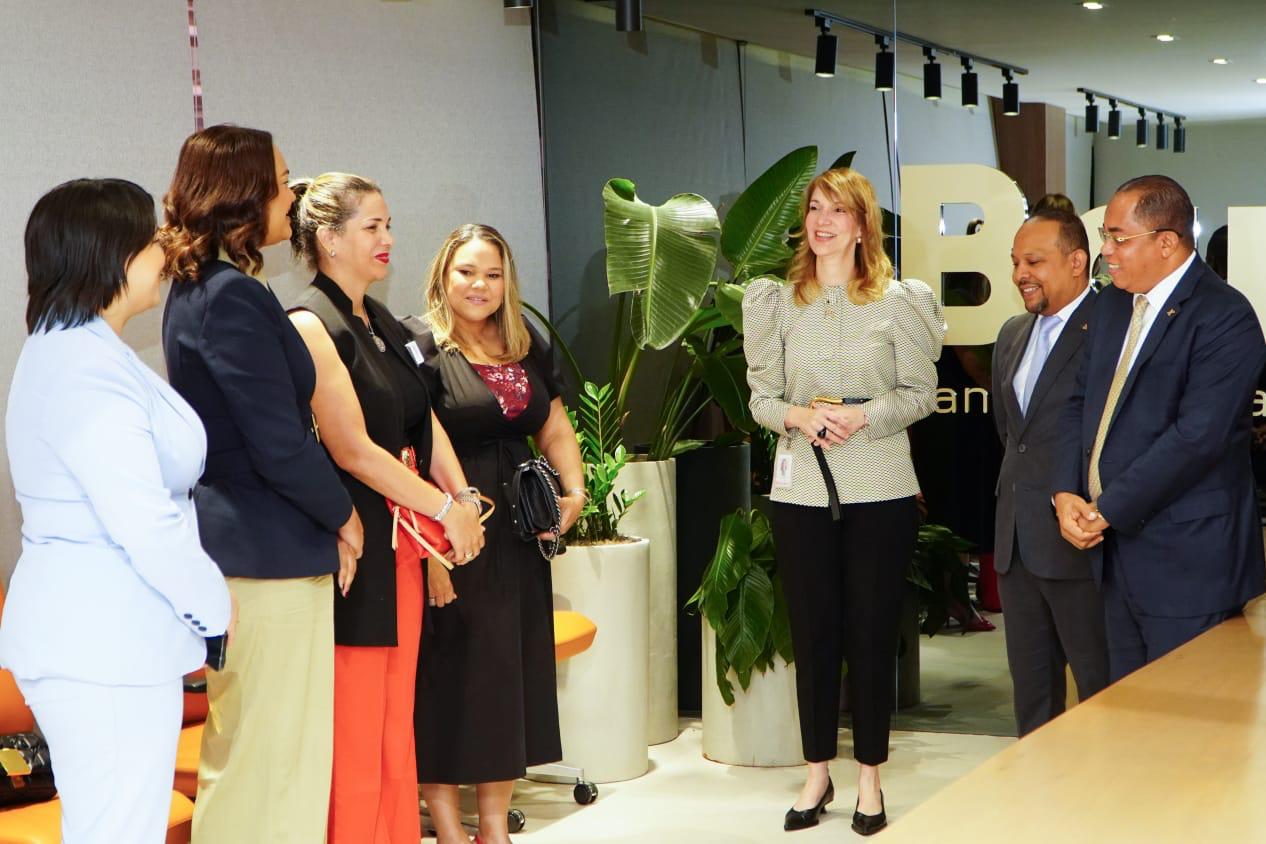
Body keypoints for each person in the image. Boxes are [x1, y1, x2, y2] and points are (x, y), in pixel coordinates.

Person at [0, 178, 234, 842]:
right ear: (112, 255)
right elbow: (143, 520)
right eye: (152, 240)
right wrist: (215, 607)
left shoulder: (80, 350)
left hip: (105, 639)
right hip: (101, 644)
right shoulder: (82, 368)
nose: (165, 253)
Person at [161, 125, 364, 844]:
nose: (292, 194)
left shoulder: (202, 290)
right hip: (265, 550)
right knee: (269, 764)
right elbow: (278, 442)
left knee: (264, 759)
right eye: (281, 182)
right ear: (244, 196)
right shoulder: (230, 297)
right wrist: (344, 515)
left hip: (253, 547)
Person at [742, 167, 945, 836]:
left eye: (837, 210)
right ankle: (816, 772)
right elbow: (762, 398)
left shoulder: (897, 301)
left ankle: (871, 778)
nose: (822, 221)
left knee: (871, 632)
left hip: (880, 486)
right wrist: (798, 417)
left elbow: (920, 394)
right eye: (814, 208)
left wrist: (864, 417)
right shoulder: (777, 302)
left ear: (862, 225)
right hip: (802, 487)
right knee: (813, 633)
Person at [286, 174, 485, 844]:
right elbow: (353, 450)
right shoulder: (312, 324)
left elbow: (423, 422)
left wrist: (462, 501)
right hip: (357, 542)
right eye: (372, 226)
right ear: (329, 238)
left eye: (388, 225)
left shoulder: (384, 322)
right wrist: (445, 508)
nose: (388, 239)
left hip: (402, 543)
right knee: (357, 724)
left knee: (395, 721)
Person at [406, 223, 584, 844]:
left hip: (519, 531)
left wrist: (574, 492)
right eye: (466, 272)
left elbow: (554, 425)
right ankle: (448, 828)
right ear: (443, 275)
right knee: (448, 678)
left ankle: (492, 827)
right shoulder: (418, 345)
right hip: (449, 529)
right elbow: (409, 451)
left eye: (493, 274)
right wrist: (430, 555)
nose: (479, 285)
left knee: (508, 675)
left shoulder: (522, 340)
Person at [1054, 175, 1266, 682]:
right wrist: (1064, 491)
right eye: (1105, 236)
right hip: (1112, 557)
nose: (1106, 252)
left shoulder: (1225, 315)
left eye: (1118, 238)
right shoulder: (1110, 305)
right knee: (1124, 710)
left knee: (1186, 715)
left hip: (1189, 563)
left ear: (1166, 242)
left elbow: (1198, 438)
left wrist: (1108, 508)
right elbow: (1078, 403)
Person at [992, 209, 1107, 737]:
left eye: (1034, 261)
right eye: (1016, 262)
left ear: (1077, 261)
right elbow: (1011, 433)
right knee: (1032, 701)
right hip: (1016, 546)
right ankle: (1037, 787)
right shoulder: (1012, 333)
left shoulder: (1112, 328)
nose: (1021, 274)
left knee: (1103, 694)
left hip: (1082, 544)